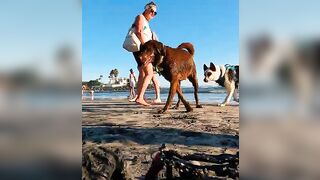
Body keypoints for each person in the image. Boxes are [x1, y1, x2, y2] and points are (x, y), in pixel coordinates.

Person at [129, 1, 161, 106]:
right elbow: (139, 32)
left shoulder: (146, 22)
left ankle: (139, 97)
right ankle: (140, 97)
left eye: (155, 13)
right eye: (152, 11)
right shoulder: (140, 17)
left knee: (142, 73)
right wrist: (147, 48)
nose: (153, 14)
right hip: (142, 49)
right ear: (146, 8)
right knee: (150, 73)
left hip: (141, 49)